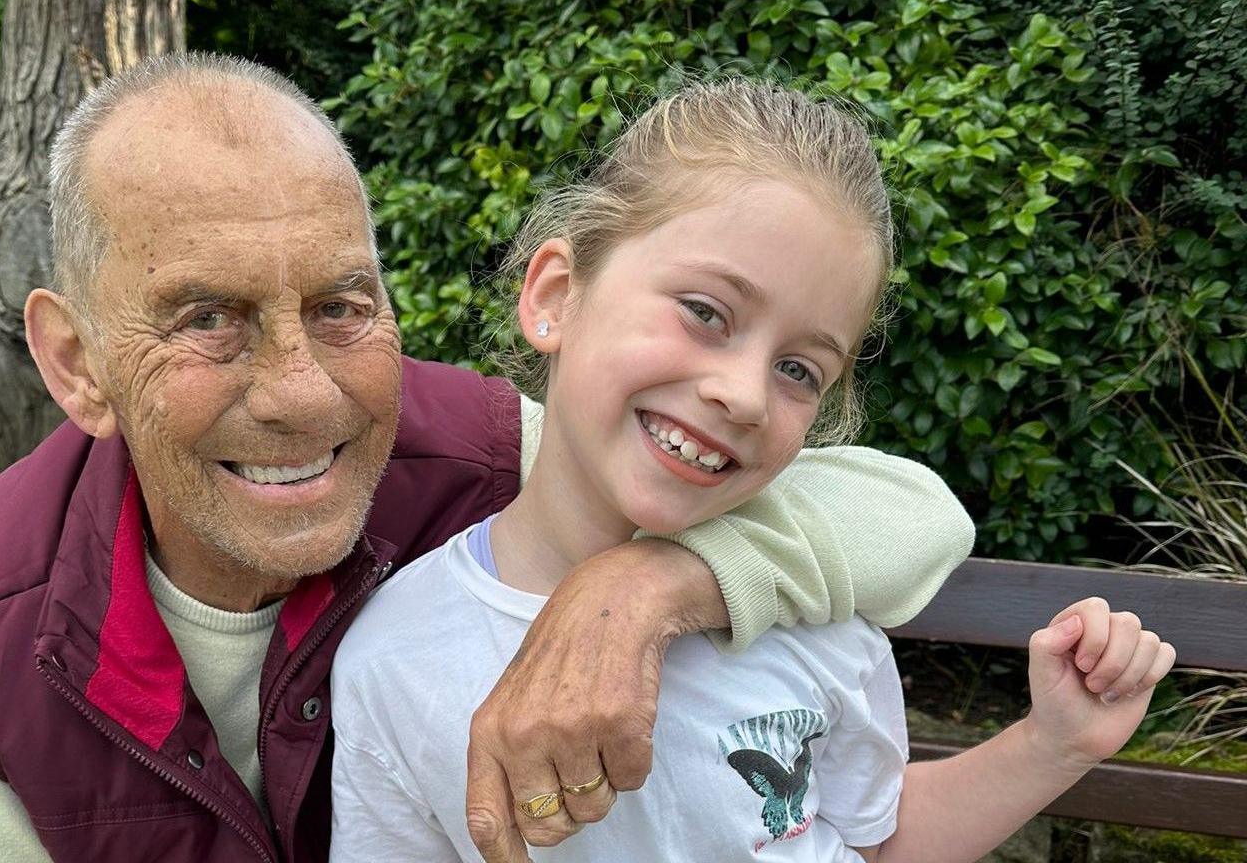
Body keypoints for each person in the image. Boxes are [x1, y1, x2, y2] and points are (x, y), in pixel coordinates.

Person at [0, 55, 976, 863]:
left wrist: (651, 585)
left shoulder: (486, 456)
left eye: (341, 306)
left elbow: (910, 514)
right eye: (209, 318)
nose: (303, 392)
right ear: (77, 363)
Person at [328, 77, 1177, 862]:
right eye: (706, 312)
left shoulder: (814, 613)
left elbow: (877, 840)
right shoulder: (395, 658)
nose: (744, 395)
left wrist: (1052, 743)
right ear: (554, 296)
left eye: (800, 370)